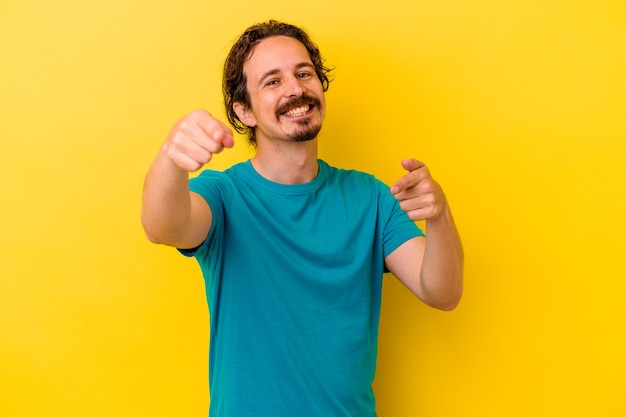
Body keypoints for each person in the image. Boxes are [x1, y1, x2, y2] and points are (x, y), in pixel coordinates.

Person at [142, 20, 463, 417]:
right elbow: (163, 226)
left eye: (304, 73)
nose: (295, 89)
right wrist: (171, 159)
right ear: (245, 111)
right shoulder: (223, 195)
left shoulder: (370, 197)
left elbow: (442, 292)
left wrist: (439, 215)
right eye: (272, 81)